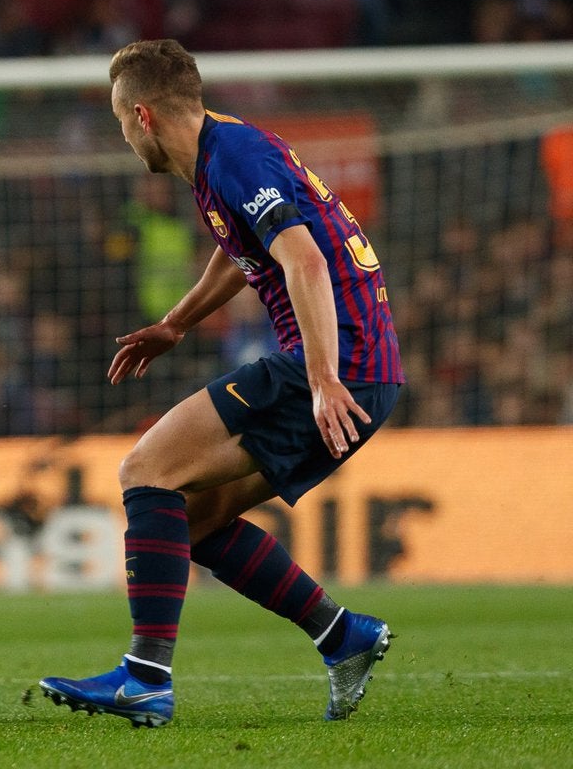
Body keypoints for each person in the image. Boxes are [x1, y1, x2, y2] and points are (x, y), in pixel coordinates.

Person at [39, 39, 404, 728]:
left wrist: (322, 377)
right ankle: (342, 636)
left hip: (335, 365)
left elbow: (305, 262)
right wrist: (176, 322)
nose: (123, 137)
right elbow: (243, 249)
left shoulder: (235, 158)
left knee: (147, 471)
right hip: (364, 371)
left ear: (142, 116)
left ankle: (145, 679)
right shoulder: (223, 152)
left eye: (120, 122)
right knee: (197, 519)